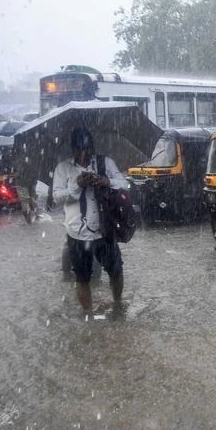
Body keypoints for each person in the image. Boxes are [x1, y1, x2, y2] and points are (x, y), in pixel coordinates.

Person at [52, 127, 128, 311]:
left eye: (88, 149)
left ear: (92, 147)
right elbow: (56, 198)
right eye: (80, 149)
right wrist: (77, 185)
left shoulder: (105, 163)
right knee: (82, 277)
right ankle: (88, 315)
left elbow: (124, 184)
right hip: (77, 233)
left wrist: (107, 181)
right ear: (73, 148)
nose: (85, 154)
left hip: (105, 230)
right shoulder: (63, 168)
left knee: (116, 271)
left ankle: (118, 305)